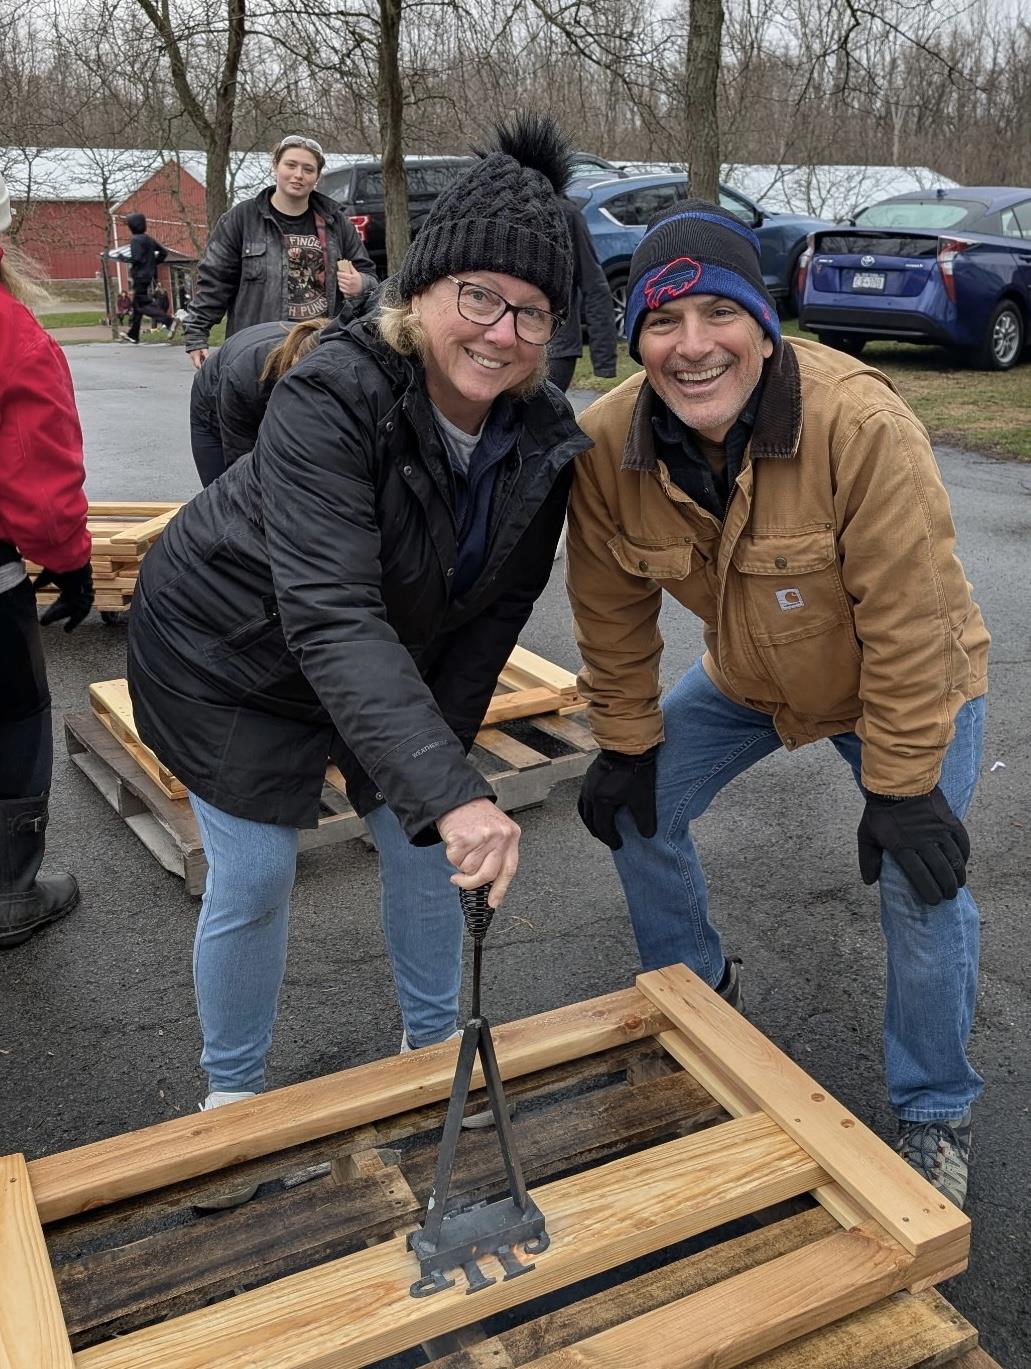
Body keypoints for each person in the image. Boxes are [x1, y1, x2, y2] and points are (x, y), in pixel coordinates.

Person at [127, 115, 585, 1120]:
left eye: (531, 312)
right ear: (420, 291)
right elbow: (331, 614)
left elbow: (491, 619)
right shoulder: (335, 394)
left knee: (428, 846)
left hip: (376, 654)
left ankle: (434, 1051)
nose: (501, 333)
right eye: (478, 296)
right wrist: (451, 794)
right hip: (225, 652)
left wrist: (439, 782)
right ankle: (233, 1096)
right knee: (254, 873)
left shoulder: (543, 439)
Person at [565, 199, 989, 1209]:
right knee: (637, 810)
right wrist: (623, 740)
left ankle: (934, 1107)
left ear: (763, 325)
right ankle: (697, 1005)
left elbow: (909, 618)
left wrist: (900, 787)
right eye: (662, 322)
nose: (691, 346)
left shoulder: (858, 422)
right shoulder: (604, 445)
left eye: (719, 313)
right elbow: (609, 613)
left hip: (901, 684)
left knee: (919, 875)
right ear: (636, 341)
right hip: (748, 678)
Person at [0, 171, 94, 948]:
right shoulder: (13, 334)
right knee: (16, 720)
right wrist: (70, 561)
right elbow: (38, 473)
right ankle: (8, 891)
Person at [183, 134, 377, 369]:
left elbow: (370, 278)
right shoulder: (242, 219)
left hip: (319, 351)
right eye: (291, 165)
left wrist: (361, 283)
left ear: (317, 177)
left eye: (308, 169)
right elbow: (215, 281)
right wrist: (197, 333)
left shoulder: (336, 223)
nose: (299, 175)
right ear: (275, 166)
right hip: (257, 351)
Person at [189, 318, 329, 486]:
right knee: (229, 489)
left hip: (260, 381)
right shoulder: (242, 377)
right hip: (214, 406)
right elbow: (240, 462)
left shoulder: (336, 356)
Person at [547, 196, 617, 392]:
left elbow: (593, 285)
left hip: (556, 347)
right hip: (546, 344)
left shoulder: (564, 213)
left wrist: (604, 359)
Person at [121, 212, 174, 344]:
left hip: (139, 276)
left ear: (132, 226)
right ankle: (133, 335)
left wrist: (124, 258)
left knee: (142, 305)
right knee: (137, 305)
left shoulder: (135, 240)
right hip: (148, 275)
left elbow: (137, 258)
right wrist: (153, 263)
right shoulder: (148, 239)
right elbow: (163, 253)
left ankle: (169, 321)